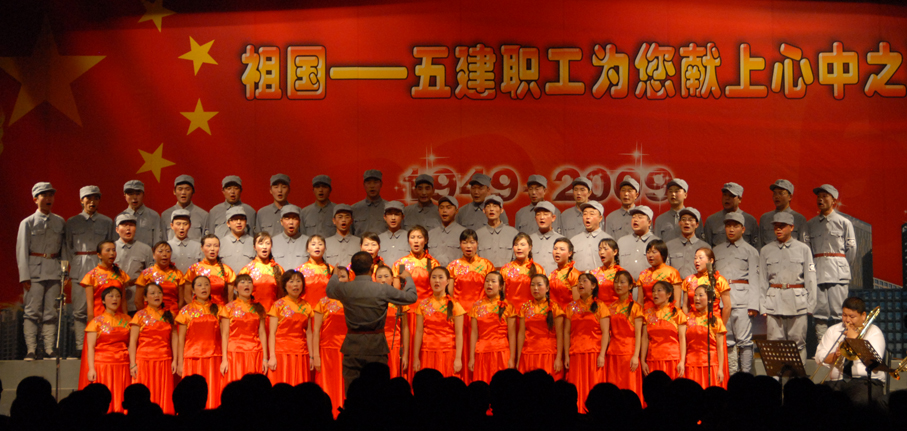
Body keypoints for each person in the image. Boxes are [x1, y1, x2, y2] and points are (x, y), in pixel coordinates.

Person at [324, 253, 418, 408]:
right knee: (378, 393)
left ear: (352, 269)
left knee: (353, 392)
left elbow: (330, 290)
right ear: (372, 268)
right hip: (376, 346)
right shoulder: (382, 289)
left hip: (352, 346)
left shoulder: (345, 288)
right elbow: (411, 297)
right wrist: (408, 278)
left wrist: (335, 275)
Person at [64, 185, 115, 358]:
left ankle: (101, 342)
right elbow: (67, 247)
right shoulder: (72, 222)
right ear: (81, 200)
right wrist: (72, 266)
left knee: (102, 308)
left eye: (96, 198)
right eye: (88, 198)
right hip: (79, 267)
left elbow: (111, 246)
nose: (92, 202)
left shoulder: (107, 222)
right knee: (79, 311)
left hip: (101, 267)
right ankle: (80, 346)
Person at [760, 212, 817, 365]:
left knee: (798, 343)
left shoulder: (803, 249)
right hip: (774, 303)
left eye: (782, 226)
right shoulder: (766, 250)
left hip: (797, 303)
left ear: (792, 227)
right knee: (774, 344)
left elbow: (810, 279)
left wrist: (811, 304)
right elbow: (762, 281)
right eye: (776, 226)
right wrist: (762, 305)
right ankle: (775, 379)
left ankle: (797, 378)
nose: (778, 229)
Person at [17, 182, 65, 360]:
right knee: (32, 312)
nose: (48, 198)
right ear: (35, 199)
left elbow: (64, 249)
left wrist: (64, 272)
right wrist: (24, 276)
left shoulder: (59, 221)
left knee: (51, 311)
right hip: (34, 272)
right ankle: (31, 349)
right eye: (44, 195)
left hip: (54, 270)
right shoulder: (27, 222)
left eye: (51, 195)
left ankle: (49, 348)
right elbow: (21, 250)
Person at [712, 212, 762, 375]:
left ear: (743, 229)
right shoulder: (716, 250)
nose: (731, 229)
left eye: (735, 226)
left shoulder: (751, 251)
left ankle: (746, 375)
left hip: (743, 301)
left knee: (745, 341)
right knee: (727, 340)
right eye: (728, 226)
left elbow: (755, 279)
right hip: (721, 302)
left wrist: (753, 305)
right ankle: (731, 375)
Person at [806, 184, 857, 343]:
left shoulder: (844, 223)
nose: (820, 199)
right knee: (819, 313)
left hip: (838, 273)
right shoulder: (810, 224)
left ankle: (840, 347)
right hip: (818, 272)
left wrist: (842, 266)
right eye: (818, 196)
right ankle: (822, 346)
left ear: (834, 200)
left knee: (839, 312)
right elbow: (807, 250)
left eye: (824, 196)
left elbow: (851, 249)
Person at [814, 297, 885, 405]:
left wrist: (855, 340)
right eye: (844, 315)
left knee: (858, 403)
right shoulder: (833, 330)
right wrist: (835, 355)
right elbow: (819, 357)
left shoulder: (874, 332)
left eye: (852, 316)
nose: (847, 320)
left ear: (863, 316)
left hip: (866, 381)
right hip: (837, 382)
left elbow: (875, 362)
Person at [128, 283, 178, 414]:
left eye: (159, 293)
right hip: (144, 361)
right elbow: (132, 342)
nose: (157, 295)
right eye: (152, 293)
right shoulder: (139, 315)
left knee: (163, 392)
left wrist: (175, 360)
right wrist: (133, 364)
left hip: (164, 360)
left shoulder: (169, 315)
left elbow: (174, 338)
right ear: (145, 298)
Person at [564, 273, 610, 411]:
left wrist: (602, 354)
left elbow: (606, 332)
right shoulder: (571, 307)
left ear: (593, 285)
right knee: (576, 386)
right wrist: (566, 355)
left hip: (594, 354)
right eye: (579, 281)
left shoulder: (600, 306)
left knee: (594, 386)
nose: (580, 284)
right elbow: (566, 333)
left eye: (584, 281)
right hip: (575, 353)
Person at [176, 276, 223, 409]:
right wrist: (180, 362)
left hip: (214, 358)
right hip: (192, 358)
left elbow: (224, 336)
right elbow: (181, 339)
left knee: (213, 391)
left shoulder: (220, 309)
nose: (204, 288)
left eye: (206, 285)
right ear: (193, 290)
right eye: (200, 285)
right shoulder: (185, 311)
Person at [83, 287, 131, 412]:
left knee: (121, 395)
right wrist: (91, 368)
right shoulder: (96, 322)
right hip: (103, 366)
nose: (115, 299)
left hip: (123, 364)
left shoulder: (128, 320)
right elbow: (90, 348)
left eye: (118, 296)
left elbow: (132, 345)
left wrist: (133, 364)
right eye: (111, 296)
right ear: (103, 301)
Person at [413, 267, 466, 378]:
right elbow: (418, 332)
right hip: (427, 352)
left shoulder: (455, 305)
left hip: (448, 352)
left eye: (440, 277)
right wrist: (416, 357)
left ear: (447, 281)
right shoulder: (423, 305)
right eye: (434, 277)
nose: (437, 280)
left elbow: (459, 334)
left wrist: (458, 358)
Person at [267, 270, 315, 386]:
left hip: (301, 353)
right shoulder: (278, 305)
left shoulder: (307, 306)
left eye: (298, 281)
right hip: (281, 353)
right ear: (284, 285)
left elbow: (309, 333)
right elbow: (272, 333)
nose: (295, 285)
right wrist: (272, 356)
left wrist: (311, 356)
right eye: (291, 281)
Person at [468, 271, 516, 384]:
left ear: (500, 286)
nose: (489, 284)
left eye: (493, 281)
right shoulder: (476, 306)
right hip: (482, 352)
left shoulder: (508, 306)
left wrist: (512, 358)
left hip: (502, 353)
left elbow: (512, 335)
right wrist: (471, 358)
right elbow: (474, 333)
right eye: (487, 281)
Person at [219, 274, 268, 383]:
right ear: (235, 288)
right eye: (243, 282)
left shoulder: (259, 308)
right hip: (234, 354)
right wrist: (224, 359)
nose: (247, 285)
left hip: (255, 353)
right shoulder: (228, 308)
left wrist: (265, 358)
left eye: (249, 282)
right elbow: (225, 334)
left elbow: (262, 333)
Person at [516, 274, 565, 380]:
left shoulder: (555, 307)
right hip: (528, 354)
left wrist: (559, 358)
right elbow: (521, 334)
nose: (535, 288)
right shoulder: (525, 307)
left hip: (549, 354)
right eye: (533, 285)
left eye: (539, 285)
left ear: (547, 288)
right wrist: (519, 358)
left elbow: (560, 335)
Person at [605, 271, 644, 401]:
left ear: (631, 286)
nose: (618, 285)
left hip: (628, 353)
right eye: (616, 282)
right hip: (613, 353)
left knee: (629, 388)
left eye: (622, 282)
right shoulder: (610, 307)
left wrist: (636, 356)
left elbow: (638, 334)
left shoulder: (636, 307)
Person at [313, 279, 347, 417]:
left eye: (344, 276)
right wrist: (316, 355)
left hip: (349, 350)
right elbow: (316, 331)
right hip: (328, 350)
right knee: (329, 384)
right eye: (338, 277)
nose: (341, 280)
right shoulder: (323, 302)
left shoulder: (353, 300)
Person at [641, 281, 687, 380]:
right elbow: (645, 338)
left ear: (669, 294)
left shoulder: (677, 313)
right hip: (652, 359)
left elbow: (682, 339)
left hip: (673, 360)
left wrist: (682, 361)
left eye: (659, 290)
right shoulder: (648, 313)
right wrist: (642, 361)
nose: (655, 294)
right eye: (653, 291)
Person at [686, 285, 728, 389]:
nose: (697, 298)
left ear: (709, 299)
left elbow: (720, 347)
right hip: (690, 365)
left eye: (701, 295)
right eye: (695, 295)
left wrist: (720, 369)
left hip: (710, 366)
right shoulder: (687, 318)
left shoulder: (715, 320)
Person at [113, 213, 154, 314]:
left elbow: (150, 276)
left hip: (137, 298)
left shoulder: (145, 249)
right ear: (117, 229)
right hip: (114, 298)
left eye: (131, 225)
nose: (128, 228)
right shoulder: (111, 248)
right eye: (124, 225)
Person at [375, 265, 410, 379]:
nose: (383, 280)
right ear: (374, 279)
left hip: (394, 347)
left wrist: (405, 354)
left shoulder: (399, 300)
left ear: (392, 279)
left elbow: (405, 328)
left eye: (386, 276)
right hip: (374, 346)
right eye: (379, 276)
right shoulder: (369, 299)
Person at [134, 241, 186, 315]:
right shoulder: (146, 274)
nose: (164, 254)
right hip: (151, 314)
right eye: (160, 251)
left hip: (172, 314)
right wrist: (146, 316)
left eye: (168, 251)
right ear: (153, 255)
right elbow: (138, 300)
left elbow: (181, 301)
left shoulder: (178, 273)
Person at [681, 248, 730, 325]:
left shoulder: (718, 280)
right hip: (693, 323)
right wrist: (684, 325)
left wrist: (721, 326)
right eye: (695, 258)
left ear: (711, 261)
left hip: (713, 322)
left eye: (700, 258)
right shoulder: (689, 280)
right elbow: (685, 306)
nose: (697, 261)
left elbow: (727, 306)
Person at [238, 232, 285, 312]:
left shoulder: (278, 269)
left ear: (271, 246)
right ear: (254, 247)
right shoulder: (247, 270)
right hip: (252, 313)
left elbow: (282, 296)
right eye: (261, 243)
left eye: (267, 243)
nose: (264, 247)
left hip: (273, 313)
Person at [702, 182, 759, 248]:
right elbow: (706, 249)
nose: (727, 198)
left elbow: (756, 247)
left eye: (731, 196)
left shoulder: (750, 221)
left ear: (740, 199)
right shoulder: (711, 220)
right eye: (725, 195)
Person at [184, 234, 235, 306]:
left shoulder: (227, 270)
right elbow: (187, 296)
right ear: (202, 248)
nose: (212, 249)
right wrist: (196, 310)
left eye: (216, 246)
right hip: (199, 309)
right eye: (208, 246)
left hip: (220, 309)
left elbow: (230, 300)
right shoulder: (194, 269)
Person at [392, 226, 441, 301]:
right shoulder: (399, 263)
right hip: (407, 305)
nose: (416, 241)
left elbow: (439, 290)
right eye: (412, 237)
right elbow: (396, 292)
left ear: (426, 240)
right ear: (408, 241)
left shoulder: (433, 263)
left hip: (428, 305)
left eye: (419, 237)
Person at [499, 233, 545, 310]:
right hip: (509, 312)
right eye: (516, 245)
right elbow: (501, 294)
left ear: (530, 247)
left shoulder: (538, 269)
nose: (519, 248)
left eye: (522, 245)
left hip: (531, 312)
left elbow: (542, 296)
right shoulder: (506, 268)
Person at [758, 179, 807, 247]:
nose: (777, 196)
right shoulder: (765, 218)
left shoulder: (799, 219)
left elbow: (804, 247)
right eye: (775, 193)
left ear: (790, 197)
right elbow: (759, 245)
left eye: (781, 193)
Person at [666, 207, 711, 279]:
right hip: (676, 285)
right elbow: (665, 271)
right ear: (679, 223)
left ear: (697, 224)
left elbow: (709, 273)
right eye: (683, 219)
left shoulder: (705, 247)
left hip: (698, 285)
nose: (687, 222)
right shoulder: (669, 246)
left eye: (690, 220)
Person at [636, 240, 682, 310]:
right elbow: (640, 301)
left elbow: (677, 301)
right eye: (648, 252)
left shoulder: (672, 272)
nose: (650, 255)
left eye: (654, 252)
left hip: (666, 313)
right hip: (647, 313)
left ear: (663, 254)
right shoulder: (643, 274)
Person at [475, 195, 519, 268]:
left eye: (495, 206)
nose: (491, 209)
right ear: (484, 210)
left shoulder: (513, 233)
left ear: (501, 210)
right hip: (485, 274)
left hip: (508, 273)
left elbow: (518, 259)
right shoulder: (478, 234)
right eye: (488, 206)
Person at [161, 175, 209, 241]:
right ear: (174, 191)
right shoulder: (165, 215)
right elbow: (163, 242)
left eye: (187, 189)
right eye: (180, 189)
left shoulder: (203, 215)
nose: (183, 192)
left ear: (193, 192)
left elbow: (206, 241)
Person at [616, 205, 659, 279]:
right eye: (633, 217)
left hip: (648, 285)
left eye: (640, 217)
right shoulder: (621, 242)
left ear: (649, 222)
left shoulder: (657, 242)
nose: (635, 220)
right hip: (625, 285)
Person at [570, 201, 612, 272]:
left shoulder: (608, 240)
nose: (587, 217)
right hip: (578, 278)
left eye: (592, 214)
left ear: (600, 218)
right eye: (585, 214)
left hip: (601, 278)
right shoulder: (573, 240)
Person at [120, 180, 163, 248]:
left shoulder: (153, 216)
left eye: (137, 194)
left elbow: (157, 242)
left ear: (143, 195)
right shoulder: (120, 218)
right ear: (125, 196)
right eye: (130, 194)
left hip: (147, 254)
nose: (134, 197)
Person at [295, 235, 335, 306]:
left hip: (326, 308)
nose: (317, 247)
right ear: (307, 249)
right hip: (305, 308)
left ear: (325, 248)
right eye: (313, 244)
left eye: (320, 244)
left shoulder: (332, 270)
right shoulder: (300, 270)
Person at [427, 196, 466, 267]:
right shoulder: (430, 234)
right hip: (434, 272)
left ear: (456, 211)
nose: (444, 211)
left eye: (448, 207)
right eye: (441, 207)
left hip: (456, 272)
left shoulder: (464, 233)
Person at [654, 178, 695, 243]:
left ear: (685, 195)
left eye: (676, 191)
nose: (673, 194)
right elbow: (657, 245)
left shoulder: (694, 217)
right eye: (670, 191)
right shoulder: (660, 219)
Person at [271, 204, 310, 271]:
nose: (291, 222)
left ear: (299, 222)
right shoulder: (273, 242)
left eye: (294, 218)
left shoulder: (309, 242)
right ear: (281, 222)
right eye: (287, 218)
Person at [528, 201, 563, 274]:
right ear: (535, 218)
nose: (542, 217)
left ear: (553, 218)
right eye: (538, 214)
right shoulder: (529, 240)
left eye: (545, 214)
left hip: (554, 280)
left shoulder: (562, 240)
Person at [218, 206, 255, 275]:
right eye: (234, 219)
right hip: (226, 280)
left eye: (242, 219)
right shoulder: (220, 243)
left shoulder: (254, 242)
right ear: (228, 223)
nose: (239, 222)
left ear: (246, 222)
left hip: (248, 280)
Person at [352, 169, 388, 236]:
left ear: (381, 184)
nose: (372, 186)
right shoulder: (354, 209)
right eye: (368, 183)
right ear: (364, 185)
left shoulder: (389, 208)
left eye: (375, 182)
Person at [589, 238, 624, 305]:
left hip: (617, 309)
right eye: (600, 249)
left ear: (615, 252)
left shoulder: (621, 273)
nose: (601, 252)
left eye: (605, 249)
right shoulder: (594, 273)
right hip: (598, 309)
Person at [167, 209, 202, 273]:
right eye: (178, 224)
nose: (181, 228)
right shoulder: (167, 246)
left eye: (185, 224)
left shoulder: (198, 247)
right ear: (172, 226)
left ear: (190, 225)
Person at [324, 204, 360, 268]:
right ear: (334, 221)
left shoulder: (359, 242)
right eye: (340, 217)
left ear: (351, 221)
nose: (343, 220)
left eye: (347, 217)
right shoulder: (326, 243)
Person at [548, 238, 579, 309]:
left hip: (568, 313)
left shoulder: (574, 274)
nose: (557, 252)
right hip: (553, 313)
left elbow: (577, 303)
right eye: (555, 249)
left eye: (562, 249)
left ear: (570, 253)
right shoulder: (552, 274)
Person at [378, 201, 409, 266]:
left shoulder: (410, 238)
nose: (393, 218)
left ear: (402, 217)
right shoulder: (378, 239)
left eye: (397, 214)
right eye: (390, 214)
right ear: (384, 217)